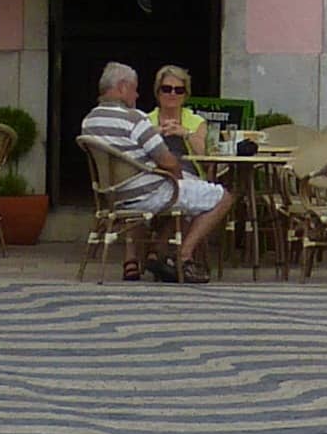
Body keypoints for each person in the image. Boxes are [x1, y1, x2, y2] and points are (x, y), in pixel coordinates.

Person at [81, 60, 226, 280]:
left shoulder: (89, 121)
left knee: (179, 193)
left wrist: (184, 134)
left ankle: (154, 254)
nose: (136, 95)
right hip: (147, 193)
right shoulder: (136, 118)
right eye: (133, 89)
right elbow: (168, 162)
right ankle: (182, 256)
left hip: (113, 196)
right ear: (122, 88)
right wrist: (175, 176)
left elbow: (206, 155)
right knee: (224, 197)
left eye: (178, 90)